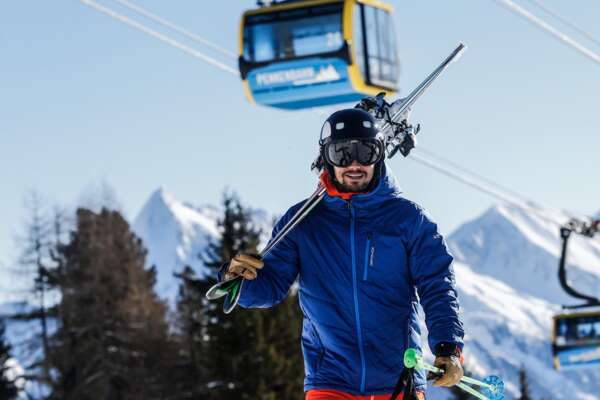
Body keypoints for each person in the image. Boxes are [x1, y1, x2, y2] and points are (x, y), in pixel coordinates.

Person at [222, 109, 465, 399]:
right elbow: (269, 288)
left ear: (380, 155)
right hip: (331, 380)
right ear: (326, 157)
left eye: (366, 152)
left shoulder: (409, 220)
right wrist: (238, 281)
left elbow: (438, 286)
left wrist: (448, 347)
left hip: (398, 379)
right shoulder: (302, 221)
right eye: (341, 154)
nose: (354, 164)